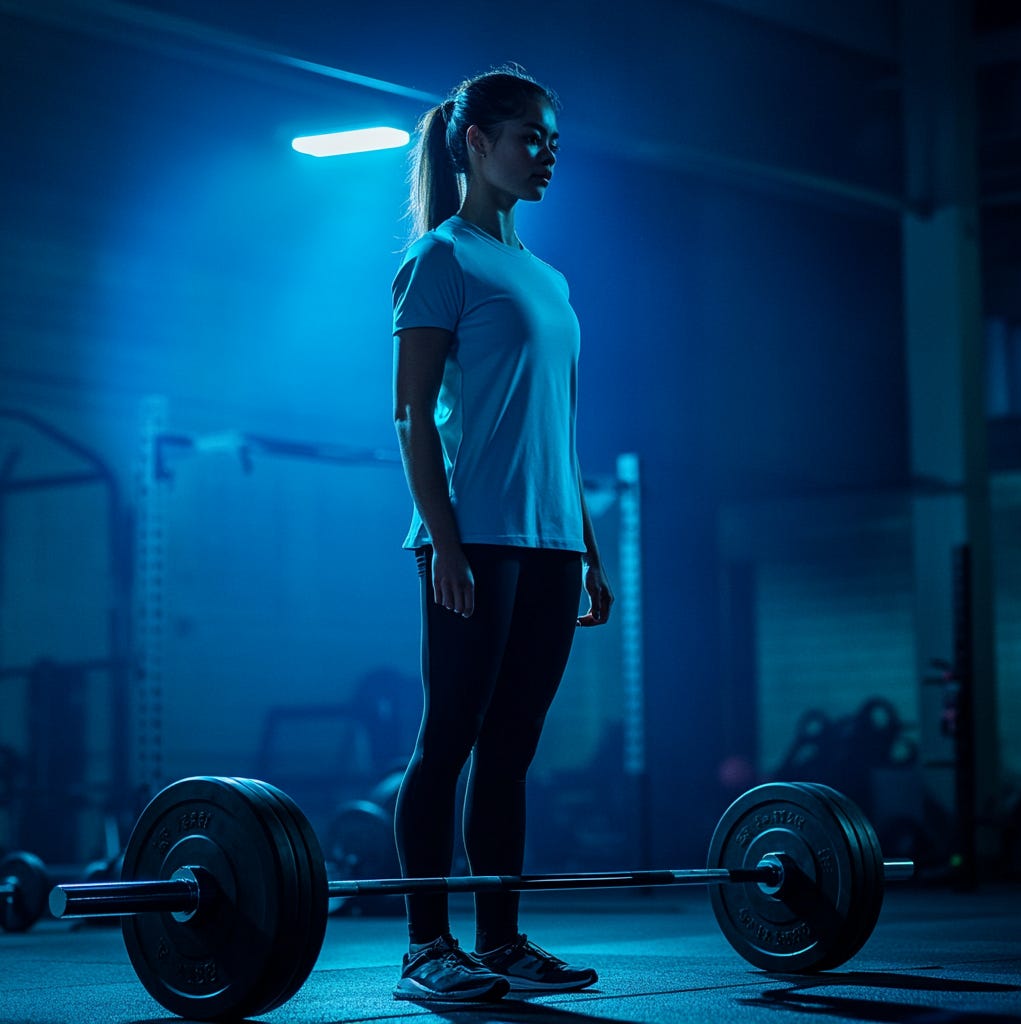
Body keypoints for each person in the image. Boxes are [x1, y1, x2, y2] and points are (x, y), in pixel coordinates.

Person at [390, 65, 614, 1003]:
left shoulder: (550, 278)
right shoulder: (441, 259)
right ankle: (426, 949)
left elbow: (560, 428)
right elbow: (409, 418)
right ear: (475, 143)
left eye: (554, 138)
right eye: (530, 136)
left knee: (515, 744)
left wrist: (591, 550)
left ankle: (504, 940)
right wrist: (442, 541)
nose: (546, 153)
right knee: (451, 736)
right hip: (472, 536)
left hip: (554, 541)